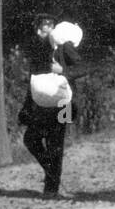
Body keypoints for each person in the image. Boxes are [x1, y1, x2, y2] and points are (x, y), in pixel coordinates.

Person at [18, 13, 80, 199]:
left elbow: (84, 67)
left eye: (51, 24)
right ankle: (52, 177)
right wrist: (27, 105)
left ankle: (51, 188)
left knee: (56, 143)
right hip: (44, 102)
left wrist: (64, 71)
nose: (48, 28)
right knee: (31, 138)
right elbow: (34, 81)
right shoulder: (36, 49)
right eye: (44, 25)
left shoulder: (64, 46)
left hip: (65, 102)